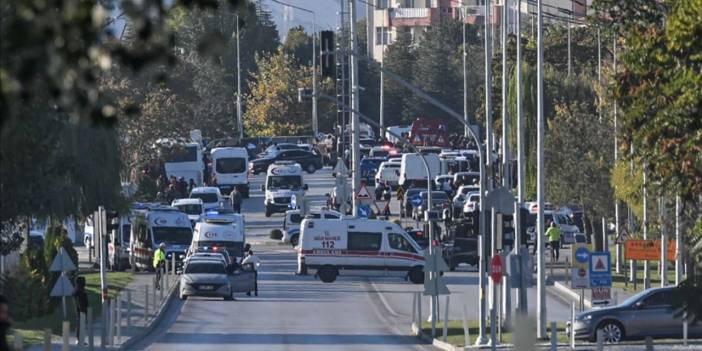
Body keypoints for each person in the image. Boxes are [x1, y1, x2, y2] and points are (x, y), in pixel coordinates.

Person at [73, 276, 88, 345]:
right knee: (80, 324)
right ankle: (78, 339)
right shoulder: (78, 291)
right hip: (80, 310)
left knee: (82, 324)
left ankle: (81, 339)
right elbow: (77, 300)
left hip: (83, 309)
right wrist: (80, 308)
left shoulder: (82, 290)